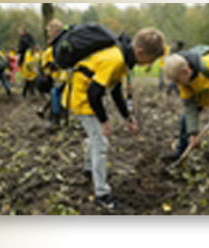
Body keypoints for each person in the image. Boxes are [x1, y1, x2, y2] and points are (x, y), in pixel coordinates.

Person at [68, 27, 165, 210]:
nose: (147, 65)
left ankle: (90, 170)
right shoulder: (116, 59)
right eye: (149, 61)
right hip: (83, 100)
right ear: (140, 52)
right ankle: (102, 195)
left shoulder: (121, 56)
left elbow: (115, 91)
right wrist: (104, 121)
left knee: (94, 138)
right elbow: (94, 93)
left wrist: (127, 117)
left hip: (85, 98)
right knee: (100, 143)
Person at [161, 48, 209, 186]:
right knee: (184, 120)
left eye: (178, 81)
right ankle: (179, 153)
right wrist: (193, 133)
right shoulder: (184, 82)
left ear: (186, 71)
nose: (178, 85)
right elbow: (190, 108)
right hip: (201, 97)